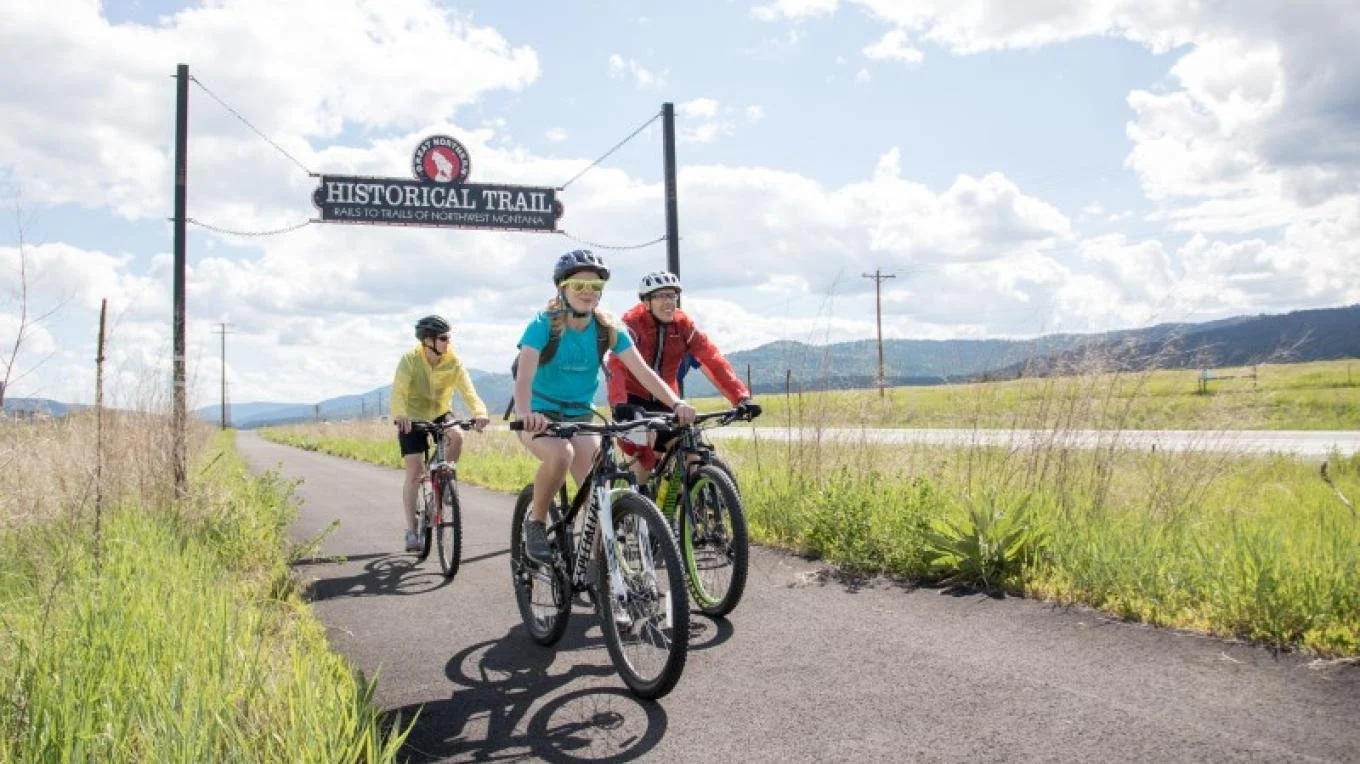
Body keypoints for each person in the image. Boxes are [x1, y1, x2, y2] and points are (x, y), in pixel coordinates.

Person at [512, 250, 697, 564]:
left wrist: (676, 402)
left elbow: (643, 373)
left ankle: (603, 573)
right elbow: (524, 375)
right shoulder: (544, 324)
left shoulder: (607, 327)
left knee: (600, 494)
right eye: (579, 285)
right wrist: (525, 413)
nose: (588, 292)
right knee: (561, 455)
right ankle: (536, 522)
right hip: (540, 415)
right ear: (562, 288)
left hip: (580, 416)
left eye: (595, 287)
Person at [606, 270, 760, 485]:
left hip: (668, 399)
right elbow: (616, 365)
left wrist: (741, 397)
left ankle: (690, 505)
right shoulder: (631, 324)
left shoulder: (683, 324)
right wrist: (620, 403)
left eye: (672, 295)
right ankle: (639, 511)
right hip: (632, 401)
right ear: (646, 302)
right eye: (661, 296)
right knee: (643, 455)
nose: (668, 302)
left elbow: (712, 359)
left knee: (691, 454)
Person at [391, 314, 490, 552]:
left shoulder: (453, 361)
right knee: (414, 472)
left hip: (439, 412)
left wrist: (480, 412)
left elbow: (468, 390)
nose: (448, 343)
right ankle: (412, 531)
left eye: (449, 338)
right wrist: (400, 414)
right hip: (412, 416)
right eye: (443, 338)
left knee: (457, 435)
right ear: (428, 341)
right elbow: (399, 391)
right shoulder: (410, 360)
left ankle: (444, 478)